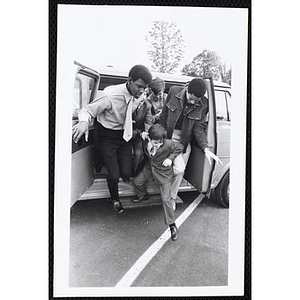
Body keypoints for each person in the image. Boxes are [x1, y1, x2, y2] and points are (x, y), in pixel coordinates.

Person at [72, 65, 152, 213]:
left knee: (126, 173)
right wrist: (83, 122)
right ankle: (115, 199)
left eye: (145, 88)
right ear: (129, 80)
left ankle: (114, 168)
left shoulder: (139, 94)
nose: (142, 91)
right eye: (139, 86)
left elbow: (139, 101)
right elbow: (87, 110)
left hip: (124, 135)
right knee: (114, 175)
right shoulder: (109, 95)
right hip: (107, 136)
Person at [159, 78, 222, 207]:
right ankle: (168, 197)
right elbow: (164, 116)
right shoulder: (173, 91)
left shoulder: (204, 103)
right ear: (187, 89)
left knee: (179, 170)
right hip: (169, 135)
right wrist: (160, 137)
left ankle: (171, 198)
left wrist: (205, 148)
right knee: (177, 168)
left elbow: (199, 128)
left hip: (184, 140)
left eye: (196, 101)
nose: (193, 102)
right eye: (191, 98)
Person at [132, 124, 183, 241]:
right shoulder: (146, 140)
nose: (159, 144)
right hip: (150, 169)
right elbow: (138, 134)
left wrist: (170, 159)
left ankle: (172, 226)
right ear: (149, 138)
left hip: (164, 174)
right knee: (137, 182)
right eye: (156, 142)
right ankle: (143, 196)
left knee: (166, 199)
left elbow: (180, 147)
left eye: (161, 142)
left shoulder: (169, 143)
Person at [131, 92, 153, 176]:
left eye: (144, 94)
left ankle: (134, 171)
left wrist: (146, 132)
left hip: (137, 135)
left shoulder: (147, 106)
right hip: (123, 134)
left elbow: (148, 121)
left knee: (138, 153)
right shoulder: (128, 103)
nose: (142, 97)